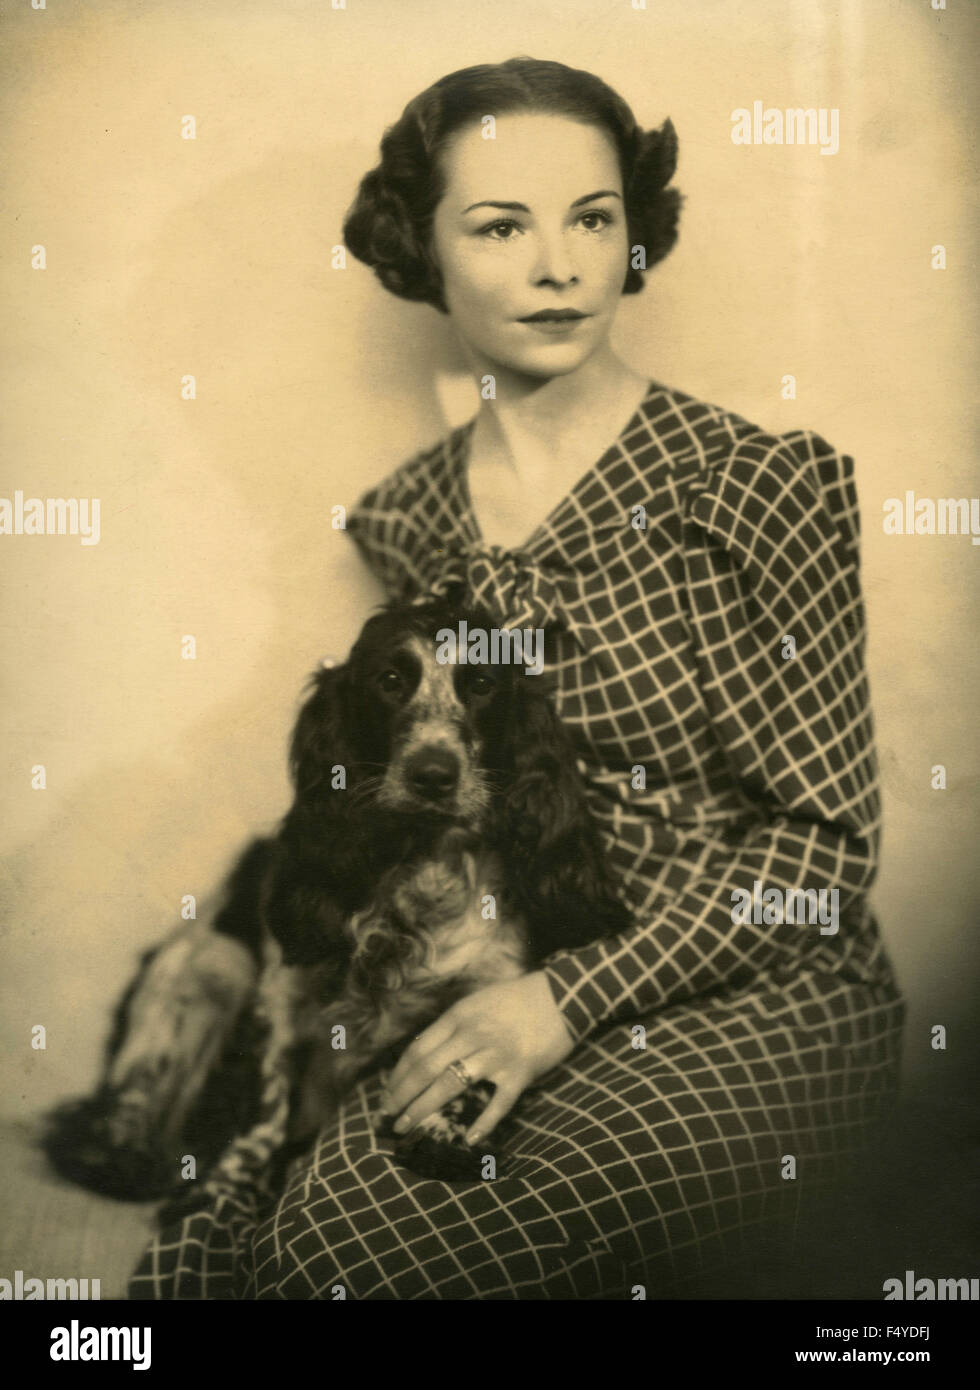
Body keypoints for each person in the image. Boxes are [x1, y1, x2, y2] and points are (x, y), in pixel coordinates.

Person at [128, 56, 905, 1300]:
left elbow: (819, 858)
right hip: (491, 962)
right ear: (421, 253)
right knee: (280, 1222)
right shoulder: (409, 516)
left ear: (631, 234)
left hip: (755, 996)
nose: (560, 265)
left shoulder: (757, 489)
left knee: (348, 1254)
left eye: (593, 218)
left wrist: (561, 1000)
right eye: (500, 226)